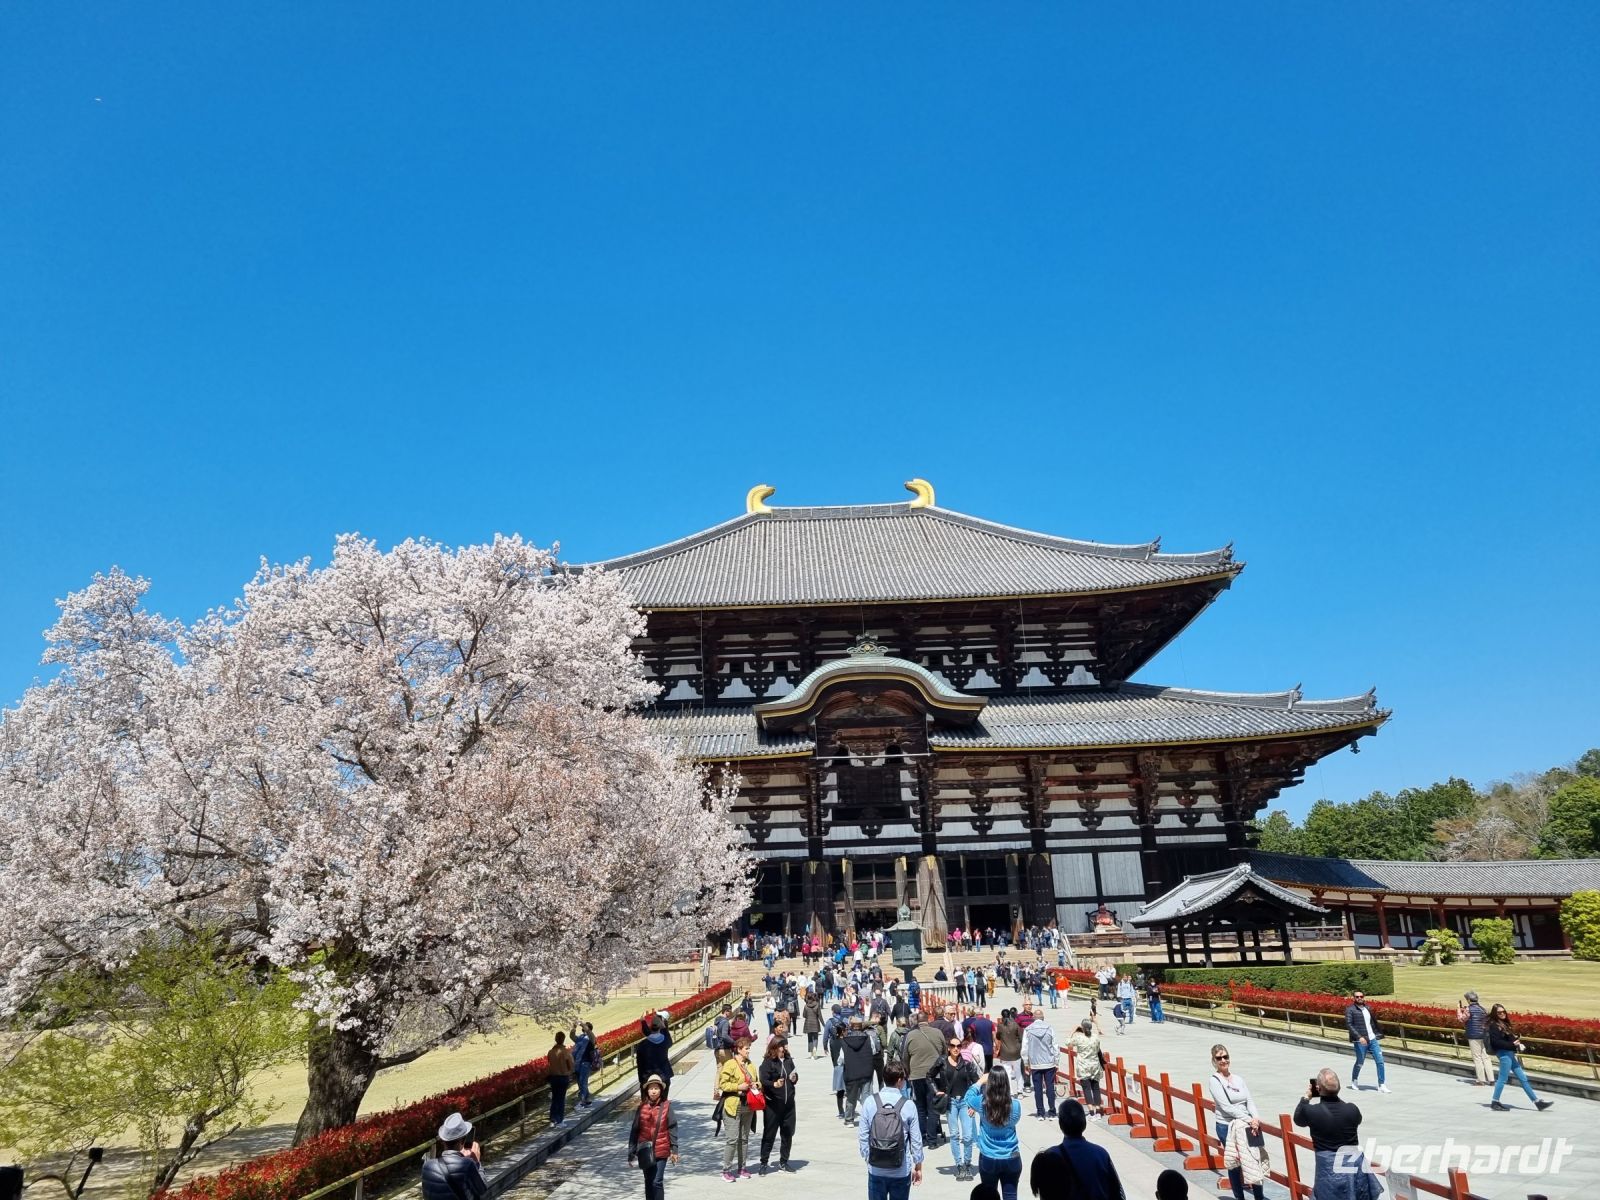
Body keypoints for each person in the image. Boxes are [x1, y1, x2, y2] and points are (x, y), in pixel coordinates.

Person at [1294, 1068, 1380, 1200]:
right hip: (1354, 1169)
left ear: (1318, 1088)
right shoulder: (1352, 1109)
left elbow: (1298, 1119)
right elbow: (1358, 1120)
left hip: (1328, 1171)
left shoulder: (1312, 1111)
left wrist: (1306, 1097)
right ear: (1339, 1087)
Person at [1027, 1100, 1124, 1200]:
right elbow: (1117, 1192)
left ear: (1061, 1124)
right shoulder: (1101, 1153)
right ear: (1084, 1123)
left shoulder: (1050, 1156)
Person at [858, 1061, 925, 1200]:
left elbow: (863, 1136)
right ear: (899, 1080)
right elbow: (916, 1140)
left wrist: (867, 1157)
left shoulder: (870, 1102)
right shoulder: (908, 1105)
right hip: (900, 1169)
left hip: (876, 1168)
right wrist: (918, 1165)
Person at [1206, 1044, 1263, 1200]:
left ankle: (1259, 1196)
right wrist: (1249, 1119)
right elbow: (1226, 1107)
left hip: (1247, 1125)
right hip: (1227, 1126)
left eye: (1226, 1057)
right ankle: (1240, 1197)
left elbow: (1249, 1100)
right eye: (1219, 1058)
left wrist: (1255, 1118)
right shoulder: (1215, 1081)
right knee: (1235, 1163)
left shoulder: (1238, 1079)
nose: (1223, 1060)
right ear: (1214, 1061)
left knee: (1254, 1160)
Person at [965, 1065, 1023, 1200]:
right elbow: (1013, 1121)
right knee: (1011, 1195)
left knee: (988, 1196)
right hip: (1011, 1156)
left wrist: (979, 1082)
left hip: (989, 1156)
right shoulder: (1015, 1105)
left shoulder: (982, 1103)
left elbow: (968, 1097)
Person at [1486, 1004, 1554, 1111]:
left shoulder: (1504, 1024)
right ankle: (1495, 1102)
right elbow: (1496, 1043)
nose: (1502, 1014)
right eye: (1499, 1012)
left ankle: (1536, 1102)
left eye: (1504, 1011)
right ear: (1495, 1014)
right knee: (1502, 1079)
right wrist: (1512, 1045)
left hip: (1510, 1054)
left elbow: (1510, 1038)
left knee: (1523, 1079)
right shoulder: (1494, 1026)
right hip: (1504, 1054)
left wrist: (1517, 1042)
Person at [934, 1029, 982, 1180]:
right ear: (948, 1047)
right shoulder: (941, 1062)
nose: (956, 1048)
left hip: (965, 1103)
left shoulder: (967, 1064)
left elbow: (977, 1084)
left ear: (961, 1047)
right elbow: (928, 1076)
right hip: (951, 1103)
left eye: (958, 1046)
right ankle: (959, 1165)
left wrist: (974, 1105)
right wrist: (937, 1091)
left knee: (968, 1136)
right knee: (954, 1135)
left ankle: (967, 1164)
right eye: (953, 1046)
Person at [628, 1074, 680, 1200]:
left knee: (657, 1181)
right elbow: (635, 1130)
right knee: (648, 1181)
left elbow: (672, 1128)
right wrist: (631, 1152)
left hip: (662, 1150)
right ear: (647, 1090)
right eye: (651, 1088)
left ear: (661, 1090)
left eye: (656, 1088)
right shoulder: (642, 1107)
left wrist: (674, 1150)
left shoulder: (667, 1107)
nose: (653, 1091)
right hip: (645, 1150)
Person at [904, 1011, 950, 1148]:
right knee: (933, 1107)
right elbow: (944, 1053)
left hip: (916, 1074)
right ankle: (932, 1140)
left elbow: (905, 1056)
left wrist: (908, 1071)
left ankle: (922, 1138)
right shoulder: (937, 1033)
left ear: (917, 1021)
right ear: (928, 1019)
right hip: (935, 1075)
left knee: (920, 1107)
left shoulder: (910, 1035)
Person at [717, 1036, 758, 1181]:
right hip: (733, 1105)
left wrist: (756, 1085)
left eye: (749, 1048)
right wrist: (737, 1087)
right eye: (746, 1049)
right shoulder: (730, 1064)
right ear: (739, 1050)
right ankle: (726, 1170)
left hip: (749, 1106)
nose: (748, 1051)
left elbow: (757, 1081)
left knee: (744, 1138)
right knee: (732, 1139)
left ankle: (742, 1167)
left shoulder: (750, 1064)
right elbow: (723, 1084)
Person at [758, 1034, 800, 1173]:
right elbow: (763, 1080)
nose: (785, 1048)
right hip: (773, 1105)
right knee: (769, 1134)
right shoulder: (768, 1062)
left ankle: (784, 1161)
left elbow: (794, 1074)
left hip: (789, 1104)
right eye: (782, 1045)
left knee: (788, 1133)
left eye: (785, 1045)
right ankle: (764, 1162)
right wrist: (774, 1084)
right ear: (775, 1047)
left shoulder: (788, 1060)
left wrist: (794, 1078)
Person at [422, 1112, 487, 1200]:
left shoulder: (427, 1166)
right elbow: (482, 1189)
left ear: (443, 1141)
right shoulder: (468, 1164)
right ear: (463, 1140)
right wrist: (477, 1163)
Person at [1343, 990, 1390, 1093]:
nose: (1359, 998)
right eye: (1357, 997)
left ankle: (1381, 1084)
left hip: (1372, 1039)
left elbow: (1372, 1023)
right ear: (1354, 998)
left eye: (1361, 996)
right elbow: (1349, 1025)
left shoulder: (1367, 1008)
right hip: (1360, 1041)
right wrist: (1359, 1037)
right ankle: (1354, 1080)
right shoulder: (1350, 1010)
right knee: (1360, 1062)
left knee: (1380, 1061)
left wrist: (1376, 1034)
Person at [841, 1015, 878, 1124]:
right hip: (866, 1072)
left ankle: (849, 1119)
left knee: (851, 1097)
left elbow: (841, 1059)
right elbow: (874, 1051)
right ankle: (867, 1118)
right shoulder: (868, 1038)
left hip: (851, 1073)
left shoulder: (845, 1040)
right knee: (866, 1096)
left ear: (851, 1027)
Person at [1023, 1012, 1059, 1120]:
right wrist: (1056, 1061)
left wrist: (1026, 1063)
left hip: (1035, 1063)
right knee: (1050, 1088)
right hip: (1049, 1062)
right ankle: (1052, 1112)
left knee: (1038, 1089)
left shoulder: (1028, 1029)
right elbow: (1055, 1046)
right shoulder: (1049, 1028)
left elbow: (1024, 1048)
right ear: (1043, 1018)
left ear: (1033, 1018)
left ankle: (1040, 1113)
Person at [1067, 1019, 1105, 1118]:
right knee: (1096, 1088)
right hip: (1095, 1065)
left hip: (1084, 1066)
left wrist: (1072, 1031)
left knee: (1087, 1088)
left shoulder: (1079, 1038)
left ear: (1082, 1028)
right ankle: (1098, 1111)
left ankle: (1091, 1112)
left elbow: (1068, 1043)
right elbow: (1097, 1050)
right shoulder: (1096, 1037)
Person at [1457, 990, 1491, 1086]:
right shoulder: (1482, 1008)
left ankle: (1481, 1080)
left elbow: (1461, 1019)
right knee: (1486, 1057)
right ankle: (1491, 1079)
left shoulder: (1469, 1009)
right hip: (1483, 1035)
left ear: (1468, 999)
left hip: (1473, 1035)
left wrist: (1458, 1010)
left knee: (1477, 1057)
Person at [636, 1015, 674, 1096]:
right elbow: (666, 1036)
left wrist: (643, 1022)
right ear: (660, 1027)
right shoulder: (666, 1041)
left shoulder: (642, 1045)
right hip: (664, 1074)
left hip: (647, 1076)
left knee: (646, 1104)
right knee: (663, 1103)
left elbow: (639, 1064)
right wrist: (663, 1027)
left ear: (650, 1028)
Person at [547, 1031, 575, 1127]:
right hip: (563, 1077)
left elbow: (549, 1065)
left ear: (555, 1039)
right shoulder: (565, 1052)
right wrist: (569, 1072)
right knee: (561, 1099)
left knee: (555, 1098)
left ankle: (553, 1118)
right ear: (563, 1040)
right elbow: (570, 1065)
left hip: (553, 1077)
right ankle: (560, 1120)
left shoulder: (550, 1052)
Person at [995, 1009, 1024, 1096]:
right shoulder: (1015, 1024)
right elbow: (1021, 1037)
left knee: (1007, 1073)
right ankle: (1020, 1092)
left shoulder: (1000, 1026)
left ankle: (1010, 1092)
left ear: (1002, 1016)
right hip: (1016, 1051)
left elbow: (998, 1036)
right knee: (1018, 1071)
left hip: (1005, 1052)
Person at [573, 1021, 600, 1108]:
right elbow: (571, 1036)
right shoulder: (580, 1038)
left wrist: (582, 1024)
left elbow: (588, 1032)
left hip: (586, 1063)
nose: (583, 1030)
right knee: (580, 1083)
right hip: (577, 1063)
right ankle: (587, 1099)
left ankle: (583, 1101)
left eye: (584, 1028)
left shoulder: (591, 1038)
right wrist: (573, 1027)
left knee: (583, 1082)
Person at [804, 990, 824, 1059]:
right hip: (815, 1023)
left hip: (808, 1024)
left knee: (809, 1038)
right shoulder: (817, 1005)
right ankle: (815, 1048)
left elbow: (804, 1015)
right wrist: (823, 1024)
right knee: (815, 1038)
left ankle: (811, 1054)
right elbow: (820, 1016)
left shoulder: (806, 1006)